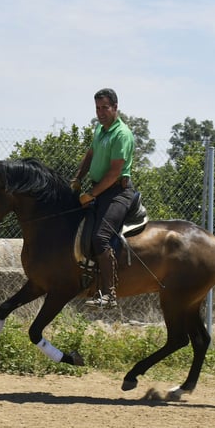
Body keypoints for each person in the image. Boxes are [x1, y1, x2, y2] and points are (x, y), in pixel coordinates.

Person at [71, 88, 136, 309]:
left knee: (100, 237)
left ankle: (109, 294)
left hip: (117, 192)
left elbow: (114, 173)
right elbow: (90, 154)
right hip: (99, 189)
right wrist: (77, 178)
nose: (100, 112)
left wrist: (90, 194)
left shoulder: (122, 134)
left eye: (105, 108)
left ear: (115, 107)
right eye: (97, 108)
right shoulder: (100, 129)